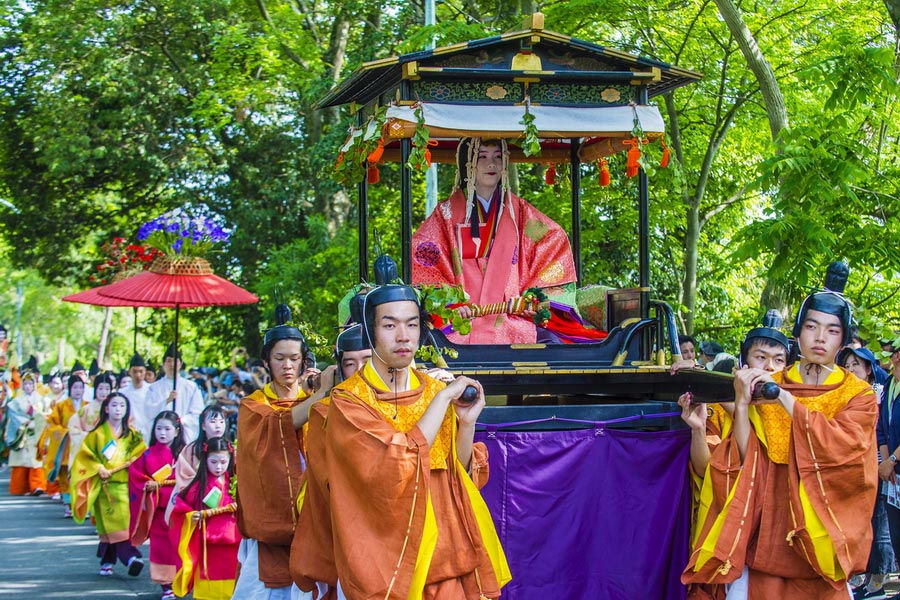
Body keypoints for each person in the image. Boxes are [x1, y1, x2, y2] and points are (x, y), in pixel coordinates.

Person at [292, 284, 510, 598]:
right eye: (390, 325)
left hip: (447, 549)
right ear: (370, 332)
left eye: (411, 324)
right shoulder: (348, 401)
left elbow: (457, 472)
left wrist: (466, 424)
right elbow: (393, 466)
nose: (403, 336)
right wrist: (444, 398)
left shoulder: (435, 391)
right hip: (388, 554)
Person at [682, 262, 879, 598]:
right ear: (798, 332)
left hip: (819, 538)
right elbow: (748, 459)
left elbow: (844, 455)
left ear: (843, 340)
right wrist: (742, 405)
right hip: (768, 532)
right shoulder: (769, 385)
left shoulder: (857, 395)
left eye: (832, 331)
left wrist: (787, 401)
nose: (819, 338)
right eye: (812, 327)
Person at [412, 137, 577, 344]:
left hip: (513, 316)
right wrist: (452, 306)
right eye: (482, 157)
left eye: (498, 157)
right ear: (467, 163)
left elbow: (553, 240)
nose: (492, 164)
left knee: (554, 346)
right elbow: (424, 259)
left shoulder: (520, 213)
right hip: (461, 318)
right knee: (433, 345)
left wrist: (529, 298)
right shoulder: (445, 215)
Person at [232, 304, 336, 599]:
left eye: (294, 359)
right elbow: (281, 423)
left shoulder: (315, 401)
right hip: (273, 525)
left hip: (313, 519)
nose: (287, 366)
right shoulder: (253, 405)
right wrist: (320, 395)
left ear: (304, 363)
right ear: (266, 361)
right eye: (279, 358)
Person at [837, 346, 894, 600]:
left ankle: (880, 580)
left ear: (870, 369)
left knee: (881, 526)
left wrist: (887, 461)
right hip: (854, 470)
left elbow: (880, 430)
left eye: (856, 366)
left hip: (880, 469)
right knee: (864, 524)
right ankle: (865, 576)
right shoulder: (843, 395)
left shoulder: (877, 394)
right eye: (847, 366)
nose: (851, 370)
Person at [70, 392, 147, 577]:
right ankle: (131, 558)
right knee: (118, 525)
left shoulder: (133, 435)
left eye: (122, 405)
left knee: (117, 527)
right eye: (114, 405)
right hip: (106, 487)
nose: (118, 409)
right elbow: (85, 458)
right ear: (106, 408)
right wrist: (97, 467)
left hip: (128, 487)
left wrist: (135, 462)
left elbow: (142, 454)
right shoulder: (96, 435)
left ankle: (106, 560)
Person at [170, 436, 239, 600]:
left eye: (223, 461)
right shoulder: (198, 486)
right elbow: (180, 507)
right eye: (213, 462)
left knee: (234, 587)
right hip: (208, 546)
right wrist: (190, 516)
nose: (219, 466)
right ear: (205, 460)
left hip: (234, 544)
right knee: (209, 591)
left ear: (230, 460)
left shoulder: (236, 483)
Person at [129, 411, 185, 600]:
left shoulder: (185, 453)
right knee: (161, 547)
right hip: (159, 510)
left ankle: (181, 581)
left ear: (177, 431)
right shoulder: (147, 454)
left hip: (180, 509)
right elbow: (135, 474)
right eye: (159, 428)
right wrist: (148, 484)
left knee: (180, 546)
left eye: (168, 429)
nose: (163, 433)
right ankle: (166, 585)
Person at [165, 404, 228, 524]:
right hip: (197, 501)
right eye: (213, 421)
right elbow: (184, 476)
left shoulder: (231, 449)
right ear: (203, 425)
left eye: (221, 421)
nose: (218, 425)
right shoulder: (191, 449)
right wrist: (206, 487)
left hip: (225, 503)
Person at [42, 375, 90, 516]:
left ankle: (82, 505)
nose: (77, 390)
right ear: (69, 389)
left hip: (83, 445)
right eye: (75, 387)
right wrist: (65, 432)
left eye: (80, 387)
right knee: (66, 477)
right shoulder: (61, 406)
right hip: (67, 445)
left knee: (83, 476)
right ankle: (69, 505)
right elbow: (52, 424)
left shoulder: (88, 406)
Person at [145, 344, 205, 442]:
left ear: (180, 364)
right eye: (168, 361)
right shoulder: (154, 388)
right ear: (163, 364)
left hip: (184, 431)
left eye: (175, 361)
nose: (172, 364)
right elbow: (149, 412)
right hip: (161, 434)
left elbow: (197, 412)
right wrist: (167, 401)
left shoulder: (191, 387)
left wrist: (179, 422)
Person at [6, 370, 48, 495]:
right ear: (23, 385)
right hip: (22, 434)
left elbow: (46, 415)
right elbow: (13, 416)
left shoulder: (42, 400)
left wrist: (36, 423)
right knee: (21, 462)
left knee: (36, 462)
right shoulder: (16, 402)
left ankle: (37, 487)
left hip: (36, 434)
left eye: (30, 383)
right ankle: (21, 488)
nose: (28, 386)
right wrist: (25, 423)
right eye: (26, 384)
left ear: (34, 385)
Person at [120, 353, 151, 441]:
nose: (138, 375)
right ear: (129, 372)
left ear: (145, 372)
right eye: (135, 371)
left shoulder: (152, 390)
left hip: (148, 432)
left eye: (141, 371)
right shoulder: (122, 392)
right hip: (128, 432)